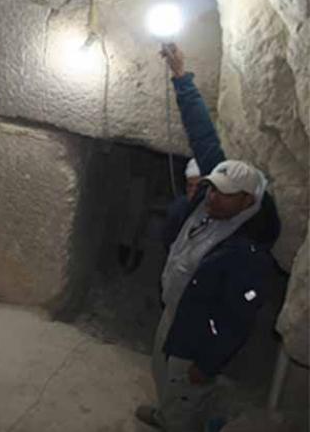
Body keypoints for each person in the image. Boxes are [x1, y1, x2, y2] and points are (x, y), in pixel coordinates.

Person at [135, 43, 281, 431]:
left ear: (247, 201)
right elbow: (200, 129)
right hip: (175, 309)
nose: (211, 195)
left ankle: (180, 420)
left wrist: (208, 363)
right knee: (162, 372)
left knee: (185, 386)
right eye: (211, 187)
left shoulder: (248, 254)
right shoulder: (211, 195)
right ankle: (174, 413)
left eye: (222, 193)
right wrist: (181, 74)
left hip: (198, 330)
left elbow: (237, 318)